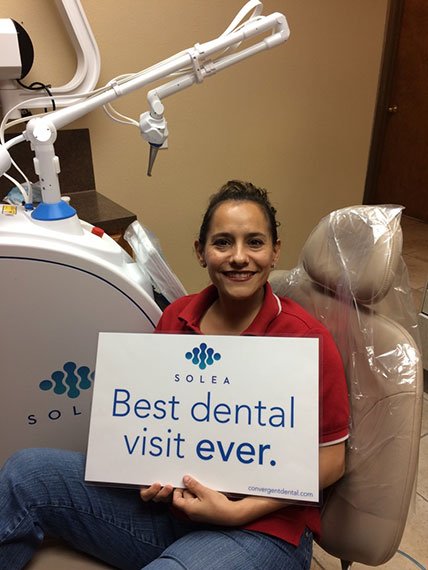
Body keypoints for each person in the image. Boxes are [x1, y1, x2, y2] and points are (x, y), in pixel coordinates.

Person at [0, 180, 349, 570]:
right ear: (201, 252)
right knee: (24, 474)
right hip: (171, 518)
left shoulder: (305, 339)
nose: (238, 257)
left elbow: (332, 460)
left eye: (254, 242)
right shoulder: (177, 317)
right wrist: (145, 471)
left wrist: (239, 511)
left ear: (274, 252)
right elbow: (156, 422)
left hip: (262, 530)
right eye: (222, 242)